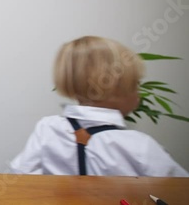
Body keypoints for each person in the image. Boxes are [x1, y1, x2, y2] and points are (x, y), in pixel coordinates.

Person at [10, 36, 188, 177]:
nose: (140, 93)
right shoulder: (140, 146)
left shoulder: (47, 129)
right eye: (136, 84)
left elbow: (20, 175)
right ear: (117, 89)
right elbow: (180, 192)